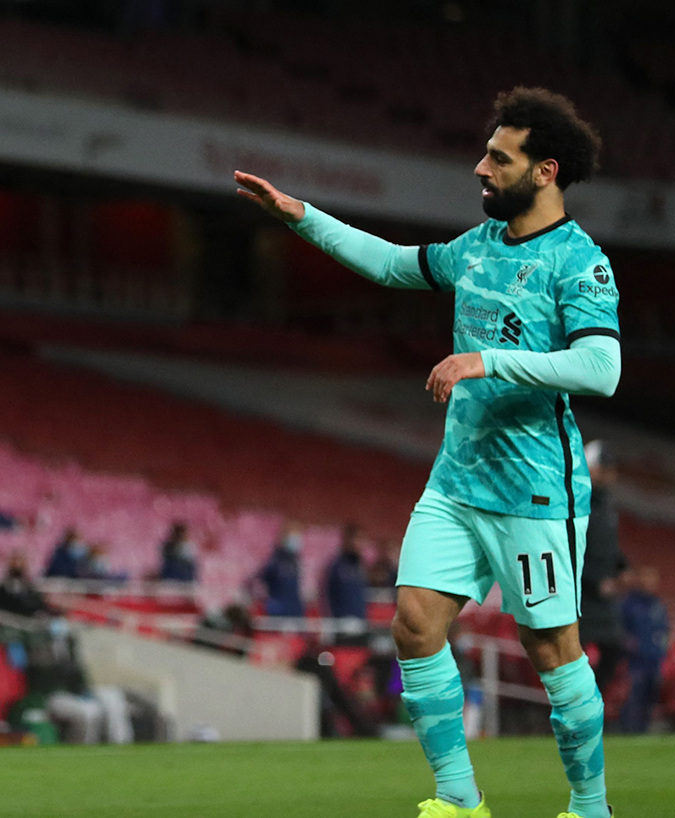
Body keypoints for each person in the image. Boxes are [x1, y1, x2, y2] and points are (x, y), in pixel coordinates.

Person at [239, 87, 618, 818]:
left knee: (552, 654)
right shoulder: (476, 248)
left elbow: (602, 369)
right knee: (414, 624)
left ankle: (590, 806)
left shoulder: (579, 262)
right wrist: (301, 217)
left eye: (499, 158)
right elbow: (391, 265)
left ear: (545, 172)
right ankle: (459, 800)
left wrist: (487, 362)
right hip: (456, 482)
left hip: (537, 492)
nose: (480, 167)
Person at [580, 441, 626, 695]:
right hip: (580, 596)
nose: (611, 474)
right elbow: (568, 551)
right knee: (573, 657)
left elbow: (609, 547)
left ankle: (588, 702)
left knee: (614, 649)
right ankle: (570, 710)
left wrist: (623, 567)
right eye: (605, 468)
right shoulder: (576, 500)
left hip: (603, 600)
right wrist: (595, 582)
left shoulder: (607, 505)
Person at [619, 566, 667, 733]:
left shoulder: (658, 605)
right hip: (635, 661)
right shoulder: (629, 604)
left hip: (655, 659)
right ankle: (627, 730)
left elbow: (664, 629)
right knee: (634, 696)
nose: (649, 583)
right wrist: (629, 643)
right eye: (646, 578)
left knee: (650, 696)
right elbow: (621, 629)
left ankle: (644, 730)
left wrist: (663, 647)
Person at [324, 524, 369, 640]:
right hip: (341, 623)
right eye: (357, 539)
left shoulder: (360, 565)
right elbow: (326, 594)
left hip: (360, 621)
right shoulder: (336, 566)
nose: (359, 543)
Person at [256, 526, 305, 617]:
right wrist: (269, 603)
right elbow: (258, 581)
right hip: (277, 613)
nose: (297, 541)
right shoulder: (274, 561)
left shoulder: (295, 562)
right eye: (293, 537)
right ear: (284, 539)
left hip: (295, 612)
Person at [0, 552, 52, 619]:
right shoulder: (2, 588)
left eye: (20, 562)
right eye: (15, 562)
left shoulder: (29, 588)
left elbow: (36, 605)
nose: (17, 564)